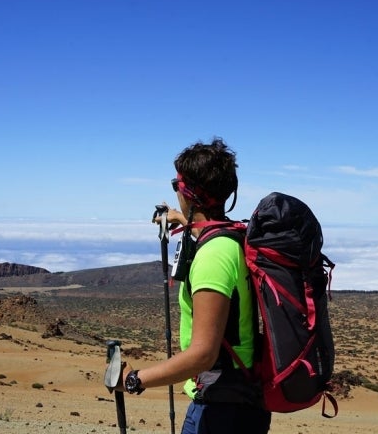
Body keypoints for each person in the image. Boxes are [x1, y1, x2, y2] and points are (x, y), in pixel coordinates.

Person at [115, 137, 271, 434]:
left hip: (221, 410)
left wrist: (135, 380)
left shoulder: (213, 256)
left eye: (177, 186)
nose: (176, 193)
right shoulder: (232, 236)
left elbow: (203, 354)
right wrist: (181, 219)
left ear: (190, 194)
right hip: (238, 398)